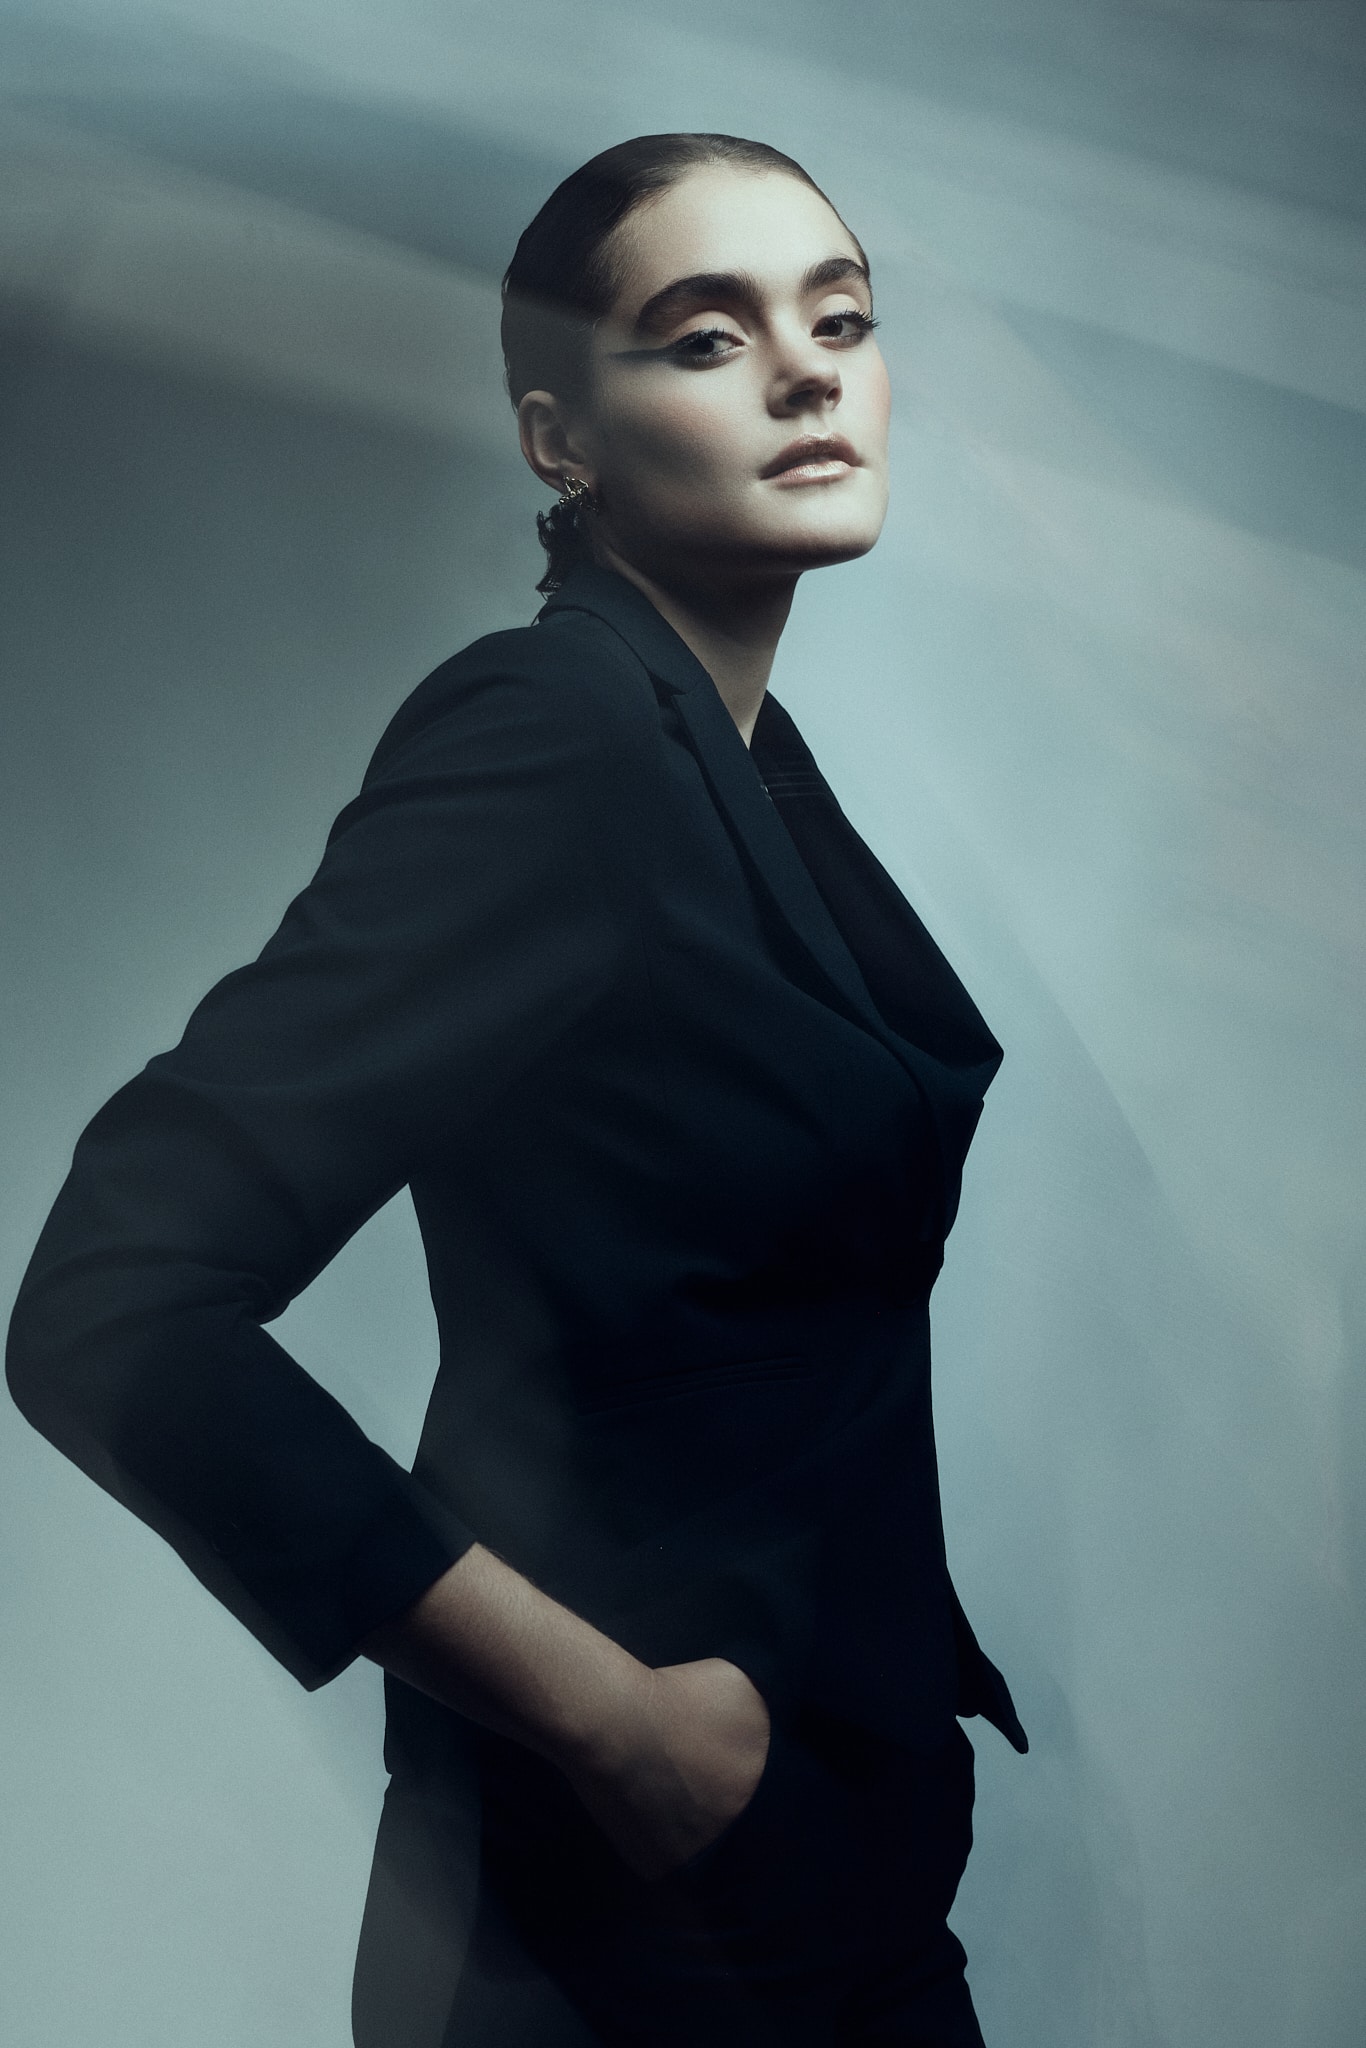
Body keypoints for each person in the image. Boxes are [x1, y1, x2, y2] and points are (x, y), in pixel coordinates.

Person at [6, 133, 1027, 2045]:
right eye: (703, 335)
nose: (807, 370)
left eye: (841, 315)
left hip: (831, 1889)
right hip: (624, 1931)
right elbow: (116, 1306)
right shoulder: (556, 736)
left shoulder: (724, 749)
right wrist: (616, 1726)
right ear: (560, 435)